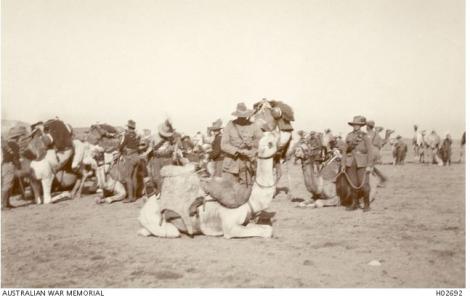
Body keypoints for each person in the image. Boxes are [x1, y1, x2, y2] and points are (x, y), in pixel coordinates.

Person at [221, 102, 263, 186]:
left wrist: (252, 150)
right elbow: (224, 145)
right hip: (231, 164)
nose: (242, 118)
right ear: (237, 115)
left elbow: (260, 142)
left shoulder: (253, 126)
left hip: (247, 164)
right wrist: (238, 151)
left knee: (246, 190)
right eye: (240, 116)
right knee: (228, 189)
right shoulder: (230, 125)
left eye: (244, 116)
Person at [341, 116, 373, 212]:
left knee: (364, 184)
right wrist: (343, 164)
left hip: (362, 162)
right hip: (351, 163)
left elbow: (370, 151)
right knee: (353, 184)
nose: (356, 126)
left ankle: (367, 205)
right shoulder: (349, 136)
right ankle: (355, 204)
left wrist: (369, 165)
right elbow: (344, 151)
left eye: (358, 125)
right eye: (354, 124)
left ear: (361, 126)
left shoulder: (365, 136)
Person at [1, 126, 28, 209]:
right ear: (18, 137)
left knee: (9, 184)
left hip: (6, 165)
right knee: (7, 185)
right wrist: (19, 165)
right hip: (10, 165)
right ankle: (3, 204)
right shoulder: (14, 144)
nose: (22, 138)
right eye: (21, 136)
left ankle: (6, 203)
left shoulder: (9, 143)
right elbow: (15, 157)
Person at [118, 120, 141, 203]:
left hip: (130, 157)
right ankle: (134, 196)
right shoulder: (137, 135)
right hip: (137, 157)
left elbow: (121, 146)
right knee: (134, 177)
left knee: (128, 177)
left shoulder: (126, 135)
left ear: (128, 127)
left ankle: (130, 197)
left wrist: (120, 148)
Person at [366, 120, 388, 187]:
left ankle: (378, 181)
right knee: (371, 167)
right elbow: (381, 144)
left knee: (369, 167)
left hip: (371, 152)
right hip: (376, 152)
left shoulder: (368, 134)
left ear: (368, 127)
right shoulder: (377, 135)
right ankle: (382, 178)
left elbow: (366, 144)